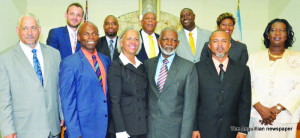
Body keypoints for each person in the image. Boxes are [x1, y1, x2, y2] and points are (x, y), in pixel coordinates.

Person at [0, 13, 63, 138]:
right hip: (24, 130)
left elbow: (59, 88)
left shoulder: (54, 54)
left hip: (53, 129)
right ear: (18, 31)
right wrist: (7, 129)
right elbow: (4, 99)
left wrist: (62, 114)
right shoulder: (5, 59)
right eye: (25, 28)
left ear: (39, 30)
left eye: (33, 28)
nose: (29, 32)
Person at [247, 19, 300, 138]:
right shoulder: (255, 57)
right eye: (273, 30)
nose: (277, 33)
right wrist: (260, 108)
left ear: (287, 35)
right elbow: (245, 84)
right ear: (268, 35)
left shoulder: (298, 58)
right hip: (257, 116)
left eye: (282, 30)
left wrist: (278, 108)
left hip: (286, 117)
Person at [194, 30, 251, 138]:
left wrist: (243, 130)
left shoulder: (242, 70)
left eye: (224, 41)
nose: (220, 45)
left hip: (232, 131)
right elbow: (193, 101)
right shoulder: (197, 68)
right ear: (209, 46)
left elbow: (245, 103)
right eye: (215, 41)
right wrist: (194, 128)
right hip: (204, 130)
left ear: (229, 45)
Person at [144, 27, 198, 138]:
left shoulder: (188, 67)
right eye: (165, 39)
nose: (169, 43)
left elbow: (190, 108)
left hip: (174, 132)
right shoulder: (147, 65)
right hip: (149, 130)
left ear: (177, 43)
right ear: (159, 41)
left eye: (173, 40)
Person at [59, 22, 110, 138]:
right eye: (86, 34)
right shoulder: (69, 63)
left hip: (105, 127)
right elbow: (67, 101)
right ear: (79, 37)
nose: (91, 37)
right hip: (83, 129)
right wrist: (75, 133)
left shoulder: (105, 60)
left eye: (94, 34)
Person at [107, 28, 147, 138]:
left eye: (136, 39)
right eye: (129, 39)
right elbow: (114, 101)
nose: (133, 42)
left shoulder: (143, 66)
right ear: (121, 42)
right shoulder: (116, 66)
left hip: (142, 127)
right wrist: (120, 130)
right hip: (124, 128)